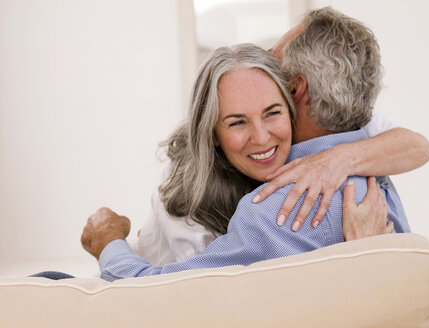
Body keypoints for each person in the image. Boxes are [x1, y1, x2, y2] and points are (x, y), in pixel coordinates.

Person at [81, 25, 408, 281]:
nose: (262, 137)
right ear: (212, 135)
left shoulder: (272, 212)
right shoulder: (376, 182)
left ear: (294, 96)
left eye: (273, 112)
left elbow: (146, 291)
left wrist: (107, 240)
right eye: (237, 122)